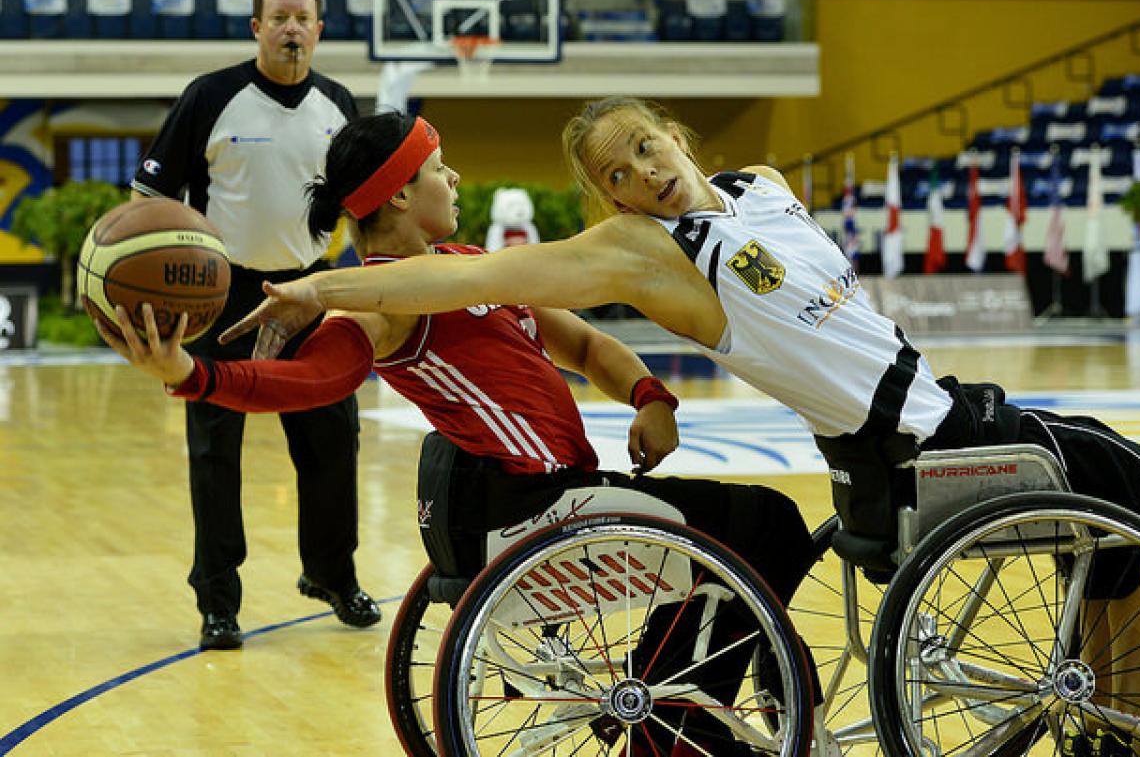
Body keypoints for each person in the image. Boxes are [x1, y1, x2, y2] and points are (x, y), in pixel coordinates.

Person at [222, 97, 1140, 755]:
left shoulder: (765, 187)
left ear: (679, 138)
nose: (644, 172)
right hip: (924, 450)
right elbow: (467, 276)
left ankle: (1112, 719)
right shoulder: (647, 256)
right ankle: (1123, 728)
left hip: (954, 407)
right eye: (618, 173)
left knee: (1136, 521)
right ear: (607, 201)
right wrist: (318, 285)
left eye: (649, 145)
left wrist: (649, 396)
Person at [103, 110, 816, 755]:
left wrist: (648, 394)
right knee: (772, 524)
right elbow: (317, 381)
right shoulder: (378, 303)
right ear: (403, 195)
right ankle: (681, 723)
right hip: (532, 508)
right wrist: (195, 375)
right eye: (439, 167)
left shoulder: (468, 267)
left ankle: (672, 700)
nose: (456, 176)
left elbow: (585, 344)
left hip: (552, 500)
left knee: (739, 538)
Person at [128, 0, 378, 651]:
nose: (292, 28)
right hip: (222, 295)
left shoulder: (339, 103)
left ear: (320, 30)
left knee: (333, 440)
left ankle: (331, 574)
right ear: (257, 28)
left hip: (311, 292)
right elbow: (151, 198)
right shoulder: (210, 96)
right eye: (280, 18)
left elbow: (360, 206)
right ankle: (218, 602)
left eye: (304, 17)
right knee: (215, 450)